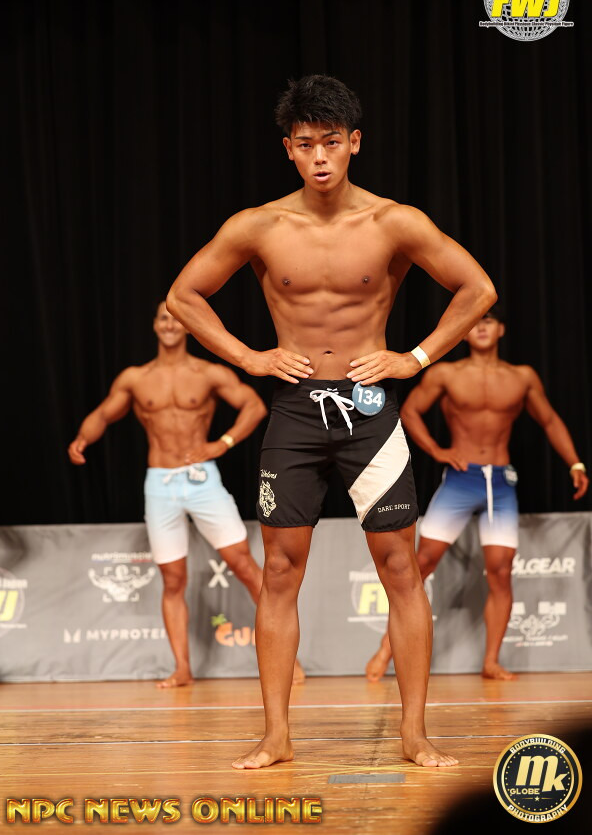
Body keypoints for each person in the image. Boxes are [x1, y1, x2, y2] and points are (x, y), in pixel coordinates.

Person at [166, 74, 497, 768]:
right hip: (294, 409)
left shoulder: (393, 222)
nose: (320, 157)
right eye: (306, 144)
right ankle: (277, 736)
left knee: (401, 569)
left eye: (332, 142)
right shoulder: (258, 226)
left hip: (370, 409)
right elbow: (185, 296)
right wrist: (250, 357)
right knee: (280, 572)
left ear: (355, 143)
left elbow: (478, 289)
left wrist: (414, 357)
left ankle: (414, 734)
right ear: (288, 149)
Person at [68, 301, 305, 688]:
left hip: (201, 480)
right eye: (163, 318)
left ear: (189, 328)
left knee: (244, 565)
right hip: (160, 483)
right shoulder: (135, 378)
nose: (169, 324)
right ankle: (182, 668)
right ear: (154, 325)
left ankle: (288, 660)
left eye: (176, 319)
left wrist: (222, 443)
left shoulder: (208, 373)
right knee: (172, 579)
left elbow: (253, 405)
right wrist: (82, 437)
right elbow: (104, 414)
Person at [365, 307, 589, 683]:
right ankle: (387, 649)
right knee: (421, 563)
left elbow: (549, 420)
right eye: (475, 323)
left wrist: (575, 463)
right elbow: (410, 411)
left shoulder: (522, 377)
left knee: (501, 571)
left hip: (501, 483)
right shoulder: (446, 374)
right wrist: (436, 451)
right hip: (460, 480)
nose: (482, 328)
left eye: (489, 322)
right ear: (465, 332)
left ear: (501, 330)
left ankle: (491, 661)